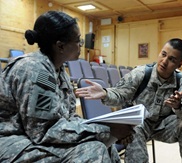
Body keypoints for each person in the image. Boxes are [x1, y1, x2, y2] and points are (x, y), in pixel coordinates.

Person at [0, 11, 133, 162]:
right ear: (60, 46)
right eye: (78, 41)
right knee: (93, 150)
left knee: (104, 145)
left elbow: (69, 117)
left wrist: (110, 132)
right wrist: (105, 130)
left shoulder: (59, 70)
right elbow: (43, 131)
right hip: (11, 140)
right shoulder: (36, 70)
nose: (81, 46)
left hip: (31, 136)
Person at [76, 38, 182, 163]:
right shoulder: (141, 74)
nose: (164, 61)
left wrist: (179, 105)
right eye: (163, 54)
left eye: (172, 59)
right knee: (134, 128)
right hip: (141, 123)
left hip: (165, 126)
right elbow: (120, 94)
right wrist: (105, 93)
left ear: (179, 64)